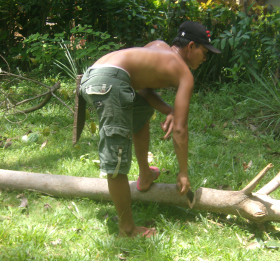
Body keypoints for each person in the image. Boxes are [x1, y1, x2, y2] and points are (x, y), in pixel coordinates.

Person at [75, 21, 220, 237]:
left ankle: (145, 175)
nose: (205, 58)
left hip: (98, 74)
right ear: (191, 46)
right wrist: (183, 173)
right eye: (204, 51)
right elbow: (180, 130)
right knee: (116, 156)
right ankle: (127, 228)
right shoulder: (184, 74)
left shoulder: (157, 46)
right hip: (109, 82)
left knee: (140, 110)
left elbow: (140, 88)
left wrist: (168, 110)